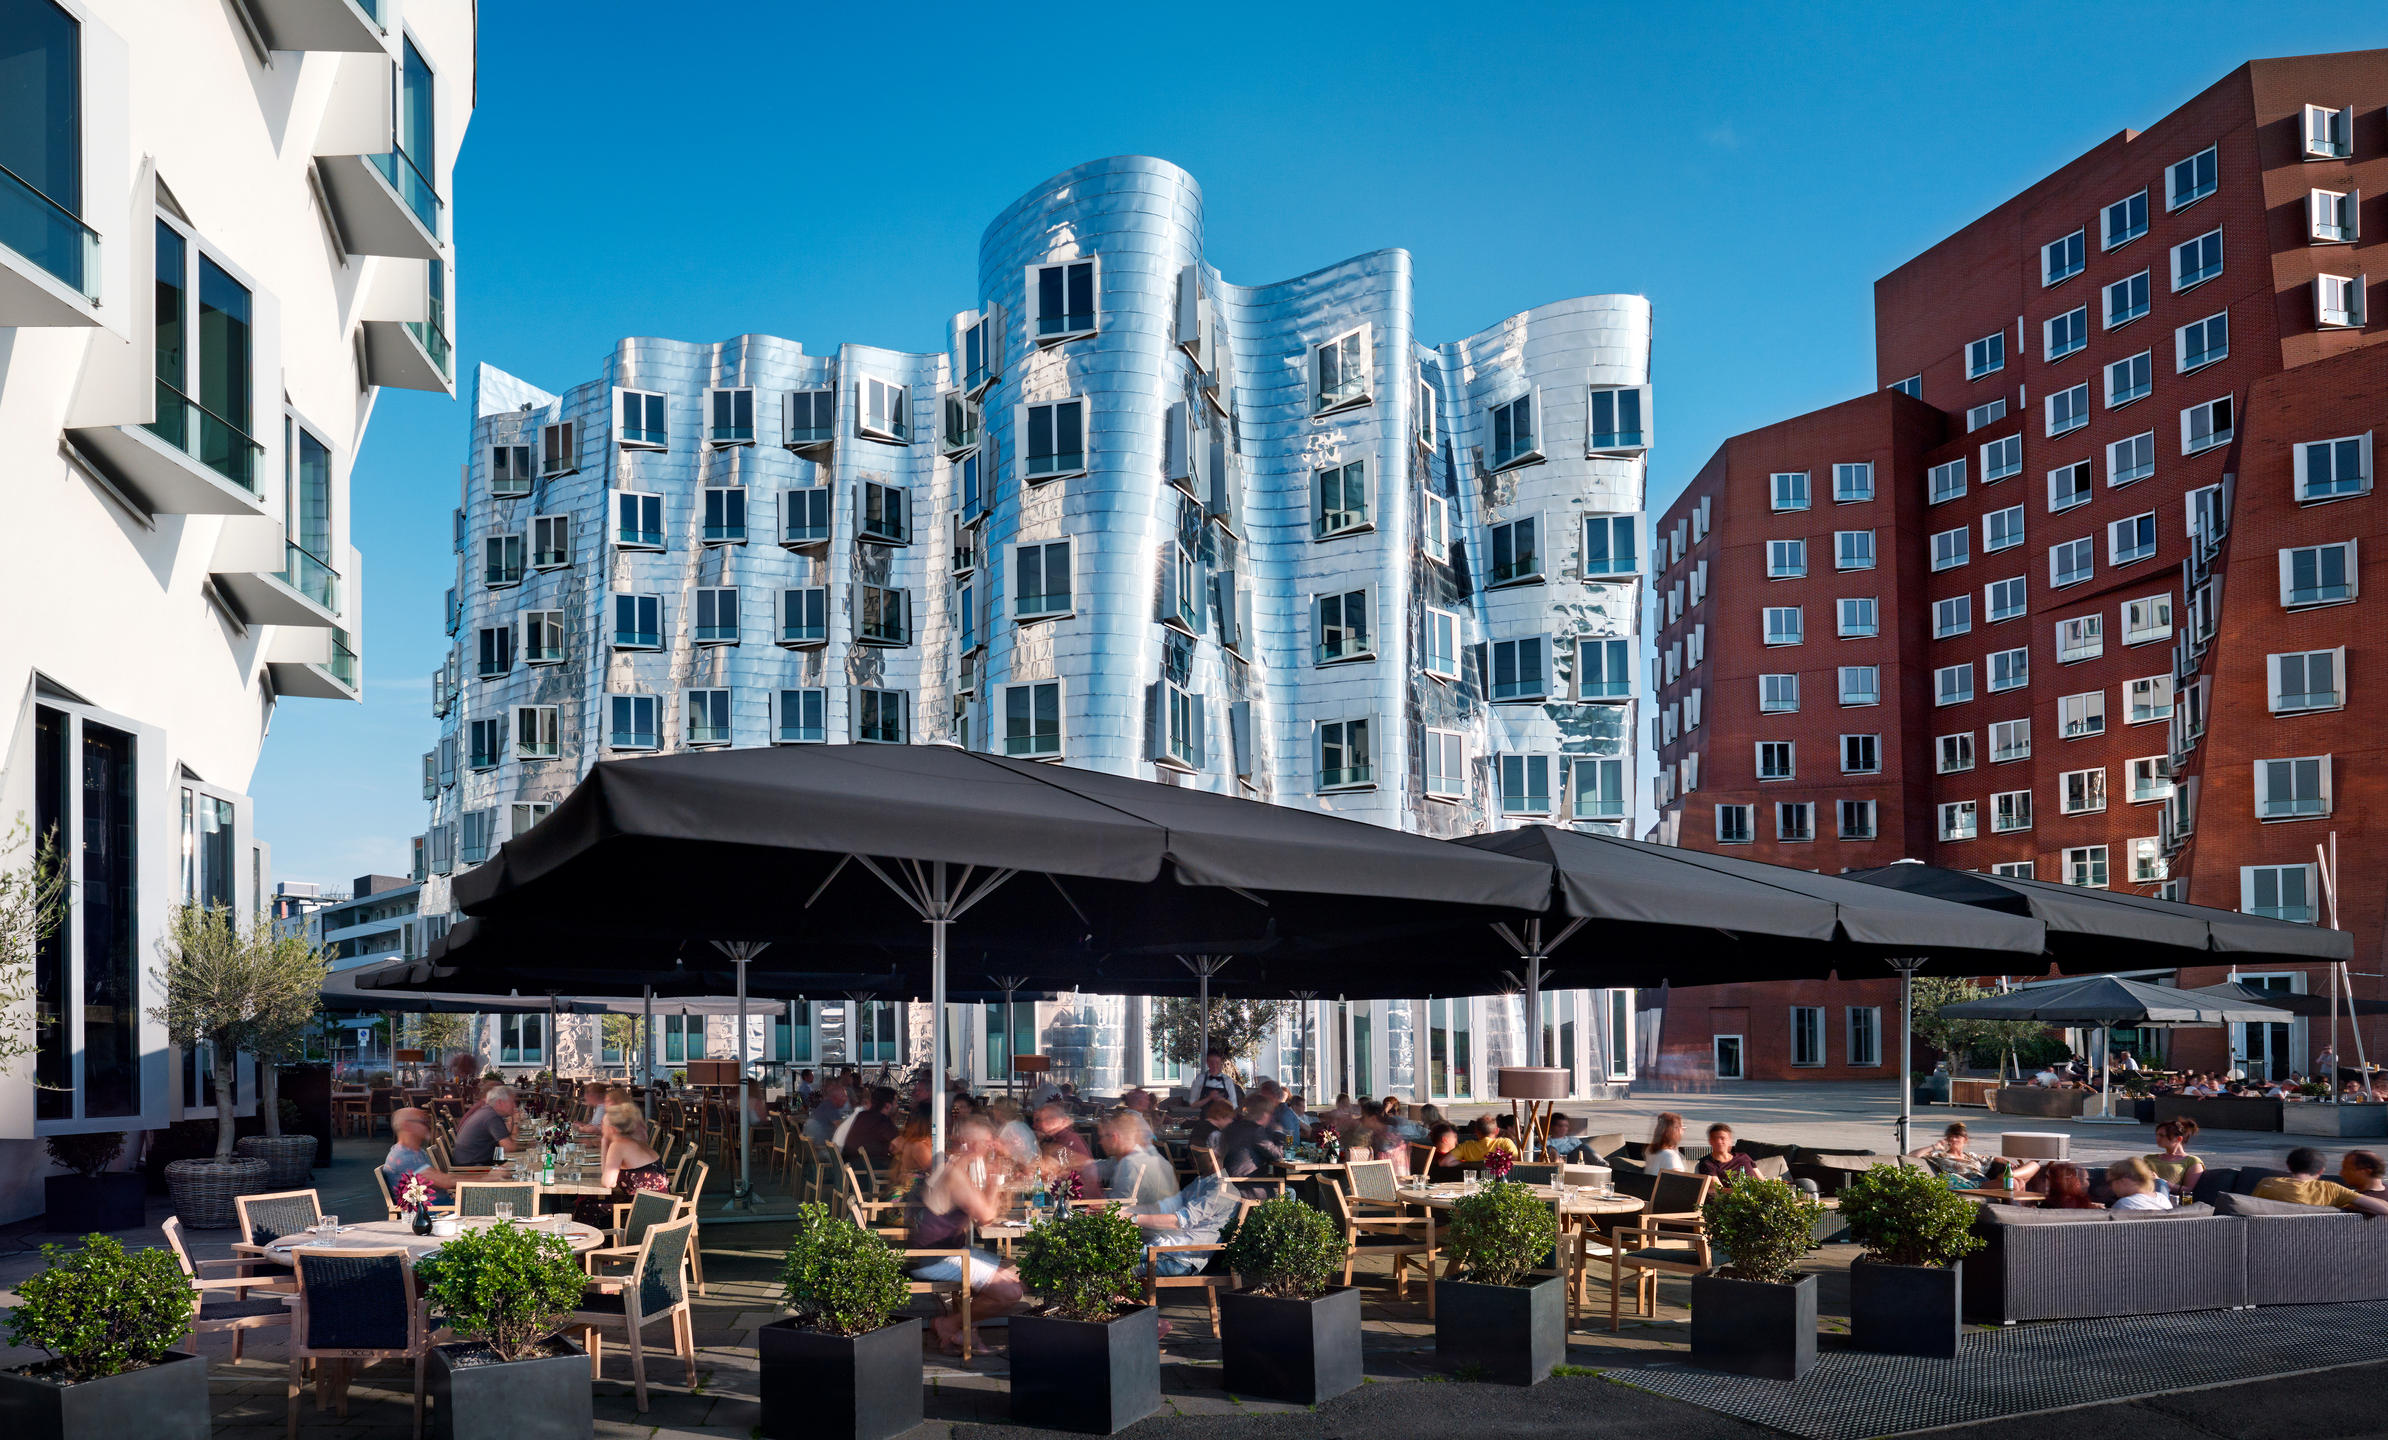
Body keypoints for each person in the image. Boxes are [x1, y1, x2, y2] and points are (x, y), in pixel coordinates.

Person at [904, 1119, 1025, 1354]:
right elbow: (987, 1216)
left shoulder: (952, 1167)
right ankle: (949, 1325)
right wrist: (994, 1180)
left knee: (1016, 1276)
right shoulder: (954, 1174)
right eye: (987, 1142)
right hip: (937, 1258)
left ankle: (964, 1333)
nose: (991, 1147)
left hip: (942, 1252)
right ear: (971, 1144)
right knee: (1011, 1292)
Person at [1125, 1173, 1244, 1277]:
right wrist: (1128, 1210)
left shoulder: (1222, 1192)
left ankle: (1122, 1300)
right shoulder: (1201, 1181)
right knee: (1115, 1253)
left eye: (1197, 1153)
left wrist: (1133, 1218)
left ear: (1213, 1156)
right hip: (1163, 1247)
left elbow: (1176, 1222)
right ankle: (1120, 1298)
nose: (1190, 1156)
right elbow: (1167, 1206)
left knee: (1119, 1266)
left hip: (1180, 1259)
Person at [577, 1102, 670, 1227]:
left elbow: (608, 1183)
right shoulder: (634, 1140)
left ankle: (598, 1245)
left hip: (645, 1214)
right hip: (660, 1206)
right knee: (590, 1204)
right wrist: (605, 1142)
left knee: (586, 1208)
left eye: (602, 1125)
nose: (600, 1128)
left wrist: (605, 1142)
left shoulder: (618, 1145)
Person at [2252, 1148, 2388, 1214]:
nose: (2341, 1173)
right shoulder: (2332, 1190)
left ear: (2289, 1166)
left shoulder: (2267, 1183)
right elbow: (2383, 1208)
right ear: (2321, 1171)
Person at [1910, 1122, 2029, 1190]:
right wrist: (1933, 1147)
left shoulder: (1971, 1156)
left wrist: (2007, 1162)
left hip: (1983, 1180)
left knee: (2020, 1182)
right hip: (1966, 1183)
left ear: (1965, 1140)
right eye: (1950, 1136)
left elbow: (1993, 1159)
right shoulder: (1940, 1155)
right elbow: (1911, 1156)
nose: (1953, 1139)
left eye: (1957, 1136)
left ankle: (2020, 1211)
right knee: (2012, 1183)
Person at [384, 1108, 464, 1205]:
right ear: (407, 1126)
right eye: (424, 1122)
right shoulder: (404, 1157)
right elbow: (446, 1182)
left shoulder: (415, 1151)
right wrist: (484, 1180)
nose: (429, 1126)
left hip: (444, 1208)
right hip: (434, 1215)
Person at [1101, 1112, 1180, 1210]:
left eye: (1103, 1136)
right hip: (1157, 1218)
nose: (1100, 1142)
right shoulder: (1141, 1156)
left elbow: (1121, 1206)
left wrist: (1094, 1200)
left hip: (1147, 1223)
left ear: (1115, 1137)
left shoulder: (1131, 1163)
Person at [1217, 1094, 1287, 1179]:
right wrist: (1278, 1132)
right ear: (1265, 1115)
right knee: (1290, 1191)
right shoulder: (1256, 1131)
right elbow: (1278, 1156)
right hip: (1246, 1185)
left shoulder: (1230, 1127)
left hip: (1228, 1184)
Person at [450, 1085, 521, 1166]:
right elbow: (509, 1148)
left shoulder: (488, 1111)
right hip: (471, 1167)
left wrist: (502, 1163)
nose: (515, 1106)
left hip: (470, 1161)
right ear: (500, 1102)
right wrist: (515, 1124)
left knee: (517, 1167)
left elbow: (500, 1148)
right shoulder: (492, 1117)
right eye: (512, 1102)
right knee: (520, 1168)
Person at [842, 1087, 902, 1172]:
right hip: (867, 1174)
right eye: (896, 1103)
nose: (897, 1106)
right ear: (887, 1106)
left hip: (851, 1169)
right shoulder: (883, 1121)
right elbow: (901, 1147)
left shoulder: (861, 1115)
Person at [2143, 1119, 2205, 1194]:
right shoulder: (2149, 1158)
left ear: (2179, 1139)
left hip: (2167, 1199)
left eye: (2162, 1136)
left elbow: (2188, 1190)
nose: (2157, 1138)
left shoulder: (2191, 1161)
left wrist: (2160, 1182)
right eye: (2157, 1135)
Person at [1694, 1123, 1760, 1181]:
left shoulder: (1744, 1157)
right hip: (1735, 1194)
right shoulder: (1707, 1164)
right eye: (1715, 1138)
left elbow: (1762, 1180)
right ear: (1710, 1141)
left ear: (1730, 1141)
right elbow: (1719, 1189)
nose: (1719, 1142)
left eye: (1723, 1138)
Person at [802, 1081, 850, 1146]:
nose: (846, 1099)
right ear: (835, 1098)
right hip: (821, 1150)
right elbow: (842, 1128)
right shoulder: (830, 1106)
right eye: (843, 1097)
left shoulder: (825, 1104)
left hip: (812, 1149)